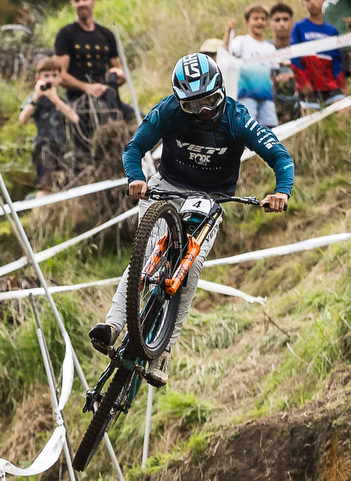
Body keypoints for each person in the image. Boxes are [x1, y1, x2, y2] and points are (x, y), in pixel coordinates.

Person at [99, 53, 294, 387]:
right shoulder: (168, 110)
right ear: (179, 102)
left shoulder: (236, 117)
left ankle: (163, 352)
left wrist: (282, 192)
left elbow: (279, 155)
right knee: (145, 254)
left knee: (189, 272)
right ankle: (113, 325)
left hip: (211, 197)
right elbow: (134, 149)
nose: (203, 111)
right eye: (193, 106)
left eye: (210, 101)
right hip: (167, 188)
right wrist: (135, 178)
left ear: (221, 91)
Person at [53, 0, 135, 147]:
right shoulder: (66, 34)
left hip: (109, 98)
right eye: (77, 0)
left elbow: (118, 68)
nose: (81, 3)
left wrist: (119, 76)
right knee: (85, 148)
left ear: (93, 0)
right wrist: (87, 88)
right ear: (72, 4)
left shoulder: (106, 34)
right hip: (79, 103)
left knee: (142, 122)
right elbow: (59, 75)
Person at [21, 58, 84, 191]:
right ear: (38, 78)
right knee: (45, 185)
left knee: (61, 185)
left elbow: (75, 118)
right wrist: (36, 97)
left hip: (62, 147)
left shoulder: (62, 98)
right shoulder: (34, 97)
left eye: (54, 75)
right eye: (46, 76)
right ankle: (40, 211)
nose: (50, 79)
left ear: (60, 78)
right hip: (44, 145)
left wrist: (55, 100)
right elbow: (22, 118)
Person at [223, 8, 282, 128]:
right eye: (255, 18)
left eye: (263, 19)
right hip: (246, 95)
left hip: (266, 97)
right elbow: (226, 51)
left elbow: (271, 76)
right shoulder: (242, 41)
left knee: (270, 128)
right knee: (248, 127)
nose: (259, 22)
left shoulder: (270, 48)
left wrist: (273, 98)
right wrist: (228, 31)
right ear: (247, 22)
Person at [291, 0, 348, 104]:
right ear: (303, 3)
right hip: (309, 86)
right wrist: (303, 82)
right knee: (310, 118)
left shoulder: (332, 31)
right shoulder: (298, 27)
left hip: (329, 85)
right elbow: (294, 58)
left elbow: (337, 61)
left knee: (343, 110)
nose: (312, 2)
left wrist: (340, 83)